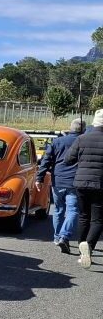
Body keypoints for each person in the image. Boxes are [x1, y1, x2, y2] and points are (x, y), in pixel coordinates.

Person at [35, 118, 85, 253]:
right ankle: (65, 235)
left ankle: (57, 237)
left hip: (58, 181)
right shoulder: (83, 142)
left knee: (58, 210)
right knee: (73, 210)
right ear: (83, 130)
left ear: (70, 128)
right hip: (75, 182)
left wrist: (39, 178)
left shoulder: (57, 142)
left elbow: (46, 160)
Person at [63, 109, 103, 268]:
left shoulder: (82, 138)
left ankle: (82, 248)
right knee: (98, 219)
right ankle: (90, 247)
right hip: (100, 184)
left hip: (80, 182)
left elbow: (68, 160)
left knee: (83, 216)